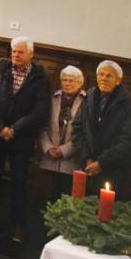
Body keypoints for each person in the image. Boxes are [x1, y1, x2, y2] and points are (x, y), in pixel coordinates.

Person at [0, 37, 50, 242]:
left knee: (19, 184)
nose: (15, 55)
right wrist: (0, 127)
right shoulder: (0, 70)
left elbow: (40, 111)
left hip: (21, 139)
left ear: (31, 54)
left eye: (20, 52)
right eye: (13, 51)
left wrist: (15, 129)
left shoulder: (40, 78)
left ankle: (17, 226)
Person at [73, 61, 131, 195]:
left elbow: (128, 140)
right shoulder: (90, 96)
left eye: (109, 76)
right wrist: (87, 158)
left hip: (113, 171)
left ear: (118, 80)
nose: (103, 79)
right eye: (101, 75)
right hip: (87, 166)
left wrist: (101, 163)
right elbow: (77, 128)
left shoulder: (127, 103)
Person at [39, 66, 88, 205]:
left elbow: (85, 132)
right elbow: (43, 125)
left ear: (80, 83)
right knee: (45, 201)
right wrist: (48, 147)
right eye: (64, 80)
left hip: (71, 163)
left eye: (71, 80)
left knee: (64, 203)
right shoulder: (53, 99)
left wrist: (64, 150)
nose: (67, 83)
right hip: (49, 159)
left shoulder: (87, 102)